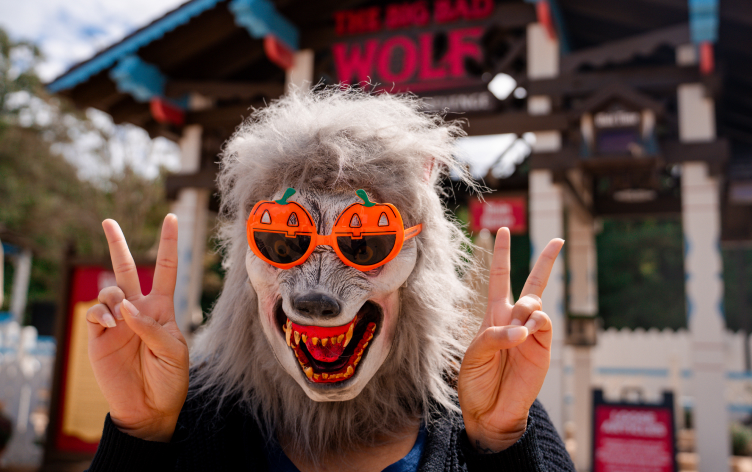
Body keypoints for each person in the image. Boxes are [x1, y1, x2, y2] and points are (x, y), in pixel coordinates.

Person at [84, 89, 575, 471]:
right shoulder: (191, 418)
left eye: (365, 243)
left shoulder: (486, 408)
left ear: (420, 260)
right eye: (282, 241)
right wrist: (142, 434)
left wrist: (501, 441)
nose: (315, 292)